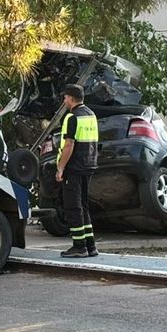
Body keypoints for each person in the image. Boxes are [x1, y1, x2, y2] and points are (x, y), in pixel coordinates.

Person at [55, 84, 99, 258]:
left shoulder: (72, 117)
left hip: (73, 167)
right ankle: (90, 245)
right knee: (84, 206)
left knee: (73, 207)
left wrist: (60, 168)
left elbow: (69, 144)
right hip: (88, 165)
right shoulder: (91, 115)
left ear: (71, 98)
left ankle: (79, 246)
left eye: (65, 97)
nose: (64, 100)